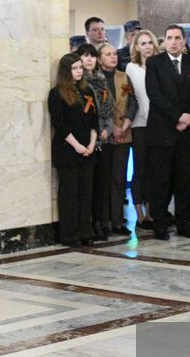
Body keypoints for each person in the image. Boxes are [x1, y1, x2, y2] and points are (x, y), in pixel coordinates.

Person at [146, 25, 190, 239]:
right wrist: (178, 116)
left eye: (177, 38)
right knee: (161, 180)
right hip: (162, 130)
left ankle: (184, 222)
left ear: (183, 41)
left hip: (187, 132)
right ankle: (160, 224)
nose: (173, 42)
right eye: (169, 38)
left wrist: (189, 116)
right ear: (164, 42)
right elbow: (154, 94)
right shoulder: (154, 63)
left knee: (184, 179)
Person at [47, 54, 97, 246]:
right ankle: (69, 234)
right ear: (66, 71)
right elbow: (59, 124)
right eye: (75, 68)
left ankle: (85, 230)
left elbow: (94, 120)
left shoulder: (88, 91)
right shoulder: (56, 93)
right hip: (67, 150)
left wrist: (91, 144)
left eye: (80, 68)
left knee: (86, 193)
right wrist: (77, 146)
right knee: (70, 194)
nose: (78, 71)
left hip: (88, 149)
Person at [97, 44, 136, 237]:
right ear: (99, 58)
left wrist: (125, 125)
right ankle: (104, 222)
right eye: (108, 54)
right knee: (104, 180)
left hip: (123, 135)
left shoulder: (123, 77)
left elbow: (132, 102)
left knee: (119, 180)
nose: (113, 57)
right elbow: (100, 107)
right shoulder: (95, 79)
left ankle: (118, 221)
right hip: (105, 136)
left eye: (114, 54)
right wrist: (112, 127)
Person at [126, 30, 158, 231]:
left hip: (159, 124)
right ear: (136, 46)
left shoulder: (159, 65)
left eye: (150, 43)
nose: (147, 46)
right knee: (140, 170)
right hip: (139, 124)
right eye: (143, 43)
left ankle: (152, 212)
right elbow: (134, 97)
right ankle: (139, 214)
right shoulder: (131, 67)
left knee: (155, 172)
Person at [77, 44, 108, 240]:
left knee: (101, 185)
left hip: (103, 137)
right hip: (87, 138)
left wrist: (106, 127)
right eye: (85, 56)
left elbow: (106, 107)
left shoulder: (101, 79)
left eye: (93, 56)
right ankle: (87, 224)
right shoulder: (80, 83)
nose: (89, 60)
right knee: (87, 185)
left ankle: (99, 222)